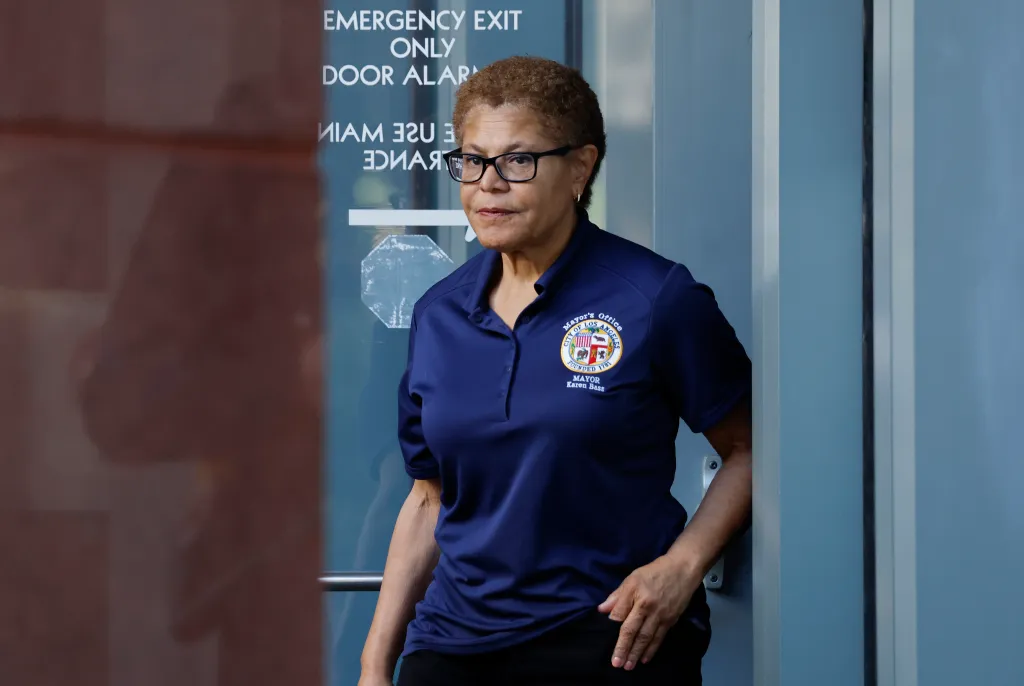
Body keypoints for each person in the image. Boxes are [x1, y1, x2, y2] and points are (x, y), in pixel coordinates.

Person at [358, 55, 753, 686]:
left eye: (517, 160)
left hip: (610, 640)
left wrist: (681, 568)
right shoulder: (438, 313)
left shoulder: (654, 298)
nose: (488, 184)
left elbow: (751, 449)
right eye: (471, 160)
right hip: (452, 647)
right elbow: (428, 498)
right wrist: (375, 661)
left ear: (580, 167)